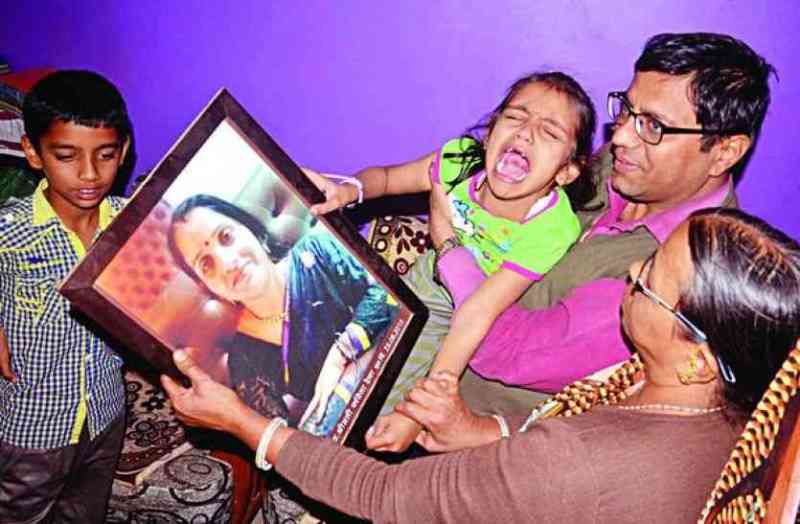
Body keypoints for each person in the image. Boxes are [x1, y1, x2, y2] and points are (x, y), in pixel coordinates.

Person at [163, 207, 800, 523]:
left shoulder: (582, 461)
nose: (633, 269)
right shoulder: (717, 402)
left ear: (697, 359)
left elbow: (384, 495)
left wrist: (245, 425)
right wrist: (483, 433)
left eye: (651, 281)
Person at [420, 32, 776, 417]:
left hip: (464, 418)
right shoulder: (626, 167)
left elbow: (505, 350)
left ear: (725, 151)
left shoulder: (675, 277)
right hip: (432, 328)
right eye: (626, 109)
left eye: (653, 125)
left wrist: (448, 242)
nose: (619, 136)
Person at [307, 71, 597, 450]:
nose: (526, 133)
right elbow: (388, 178)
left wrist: (418, 413)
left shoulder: (552, 227)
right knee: (335, 352)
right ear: (489, 134)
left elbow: (478, 311)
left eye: (549, 132)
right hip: (420, 280)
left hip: (465, 317)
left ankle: (334, 456)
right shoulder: (460, 160)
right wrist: (348, 190)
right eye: (515, 117)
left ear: (567, 171)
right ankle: (305, 431)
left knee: (377, 402)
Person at [0, 70, 133, 523]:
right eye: (66, 156)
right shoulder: (10, 230)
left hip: (106, 414)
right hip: (32, 426)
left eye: (106, 155)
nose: (90, 174)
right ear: (33, 153)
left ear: (123, 152)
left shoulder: (130, 225)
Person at [166, 194, 398, 435]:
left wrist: (341, 353)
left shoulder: (316, 251)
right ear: (205, 285)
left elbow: (386, 294)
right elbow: (281, 440)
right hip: (362, 427)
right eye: (206, 264)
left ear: (249, 228)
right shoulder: (244, 359)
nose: (227, 262)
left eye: (226, 236)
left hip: (405, 361)